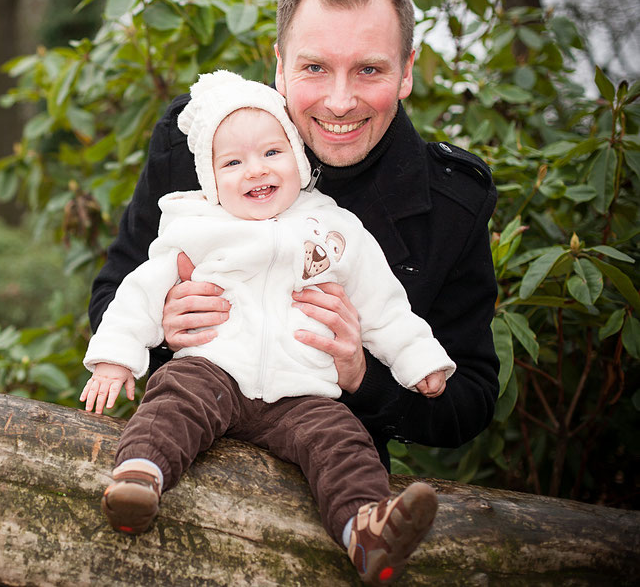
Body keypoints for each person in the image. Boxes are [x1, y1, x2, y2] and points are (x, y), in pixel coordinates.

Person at [88, 0, 499, 472]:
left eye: (370, 69)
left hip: (333, 470)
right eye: (315, 68)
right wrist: (164, 322)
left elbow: (470, 401)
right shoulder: (197, 142)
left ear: (406, 71)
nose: (340, 101)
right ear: (280, 66)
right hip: (186, 449)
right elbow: (113, 290)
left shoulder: (450, 206)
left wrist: (363, 376)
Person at [81, 69, 452, 584]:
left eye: (272, 154)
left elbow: (383, 303)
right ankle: (139, 477)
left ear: (299, 159)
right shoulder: (199, 226)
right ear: (211, 179)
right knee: (173, 399)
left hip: (303, 393)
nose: (255, 171)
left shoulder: (335, 228)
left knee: (343, 442)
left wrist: (419, 360)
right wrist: (114, 358)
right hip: (215, 371)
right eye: (233, 162)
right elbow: (141, 290)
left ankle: (366, 530)